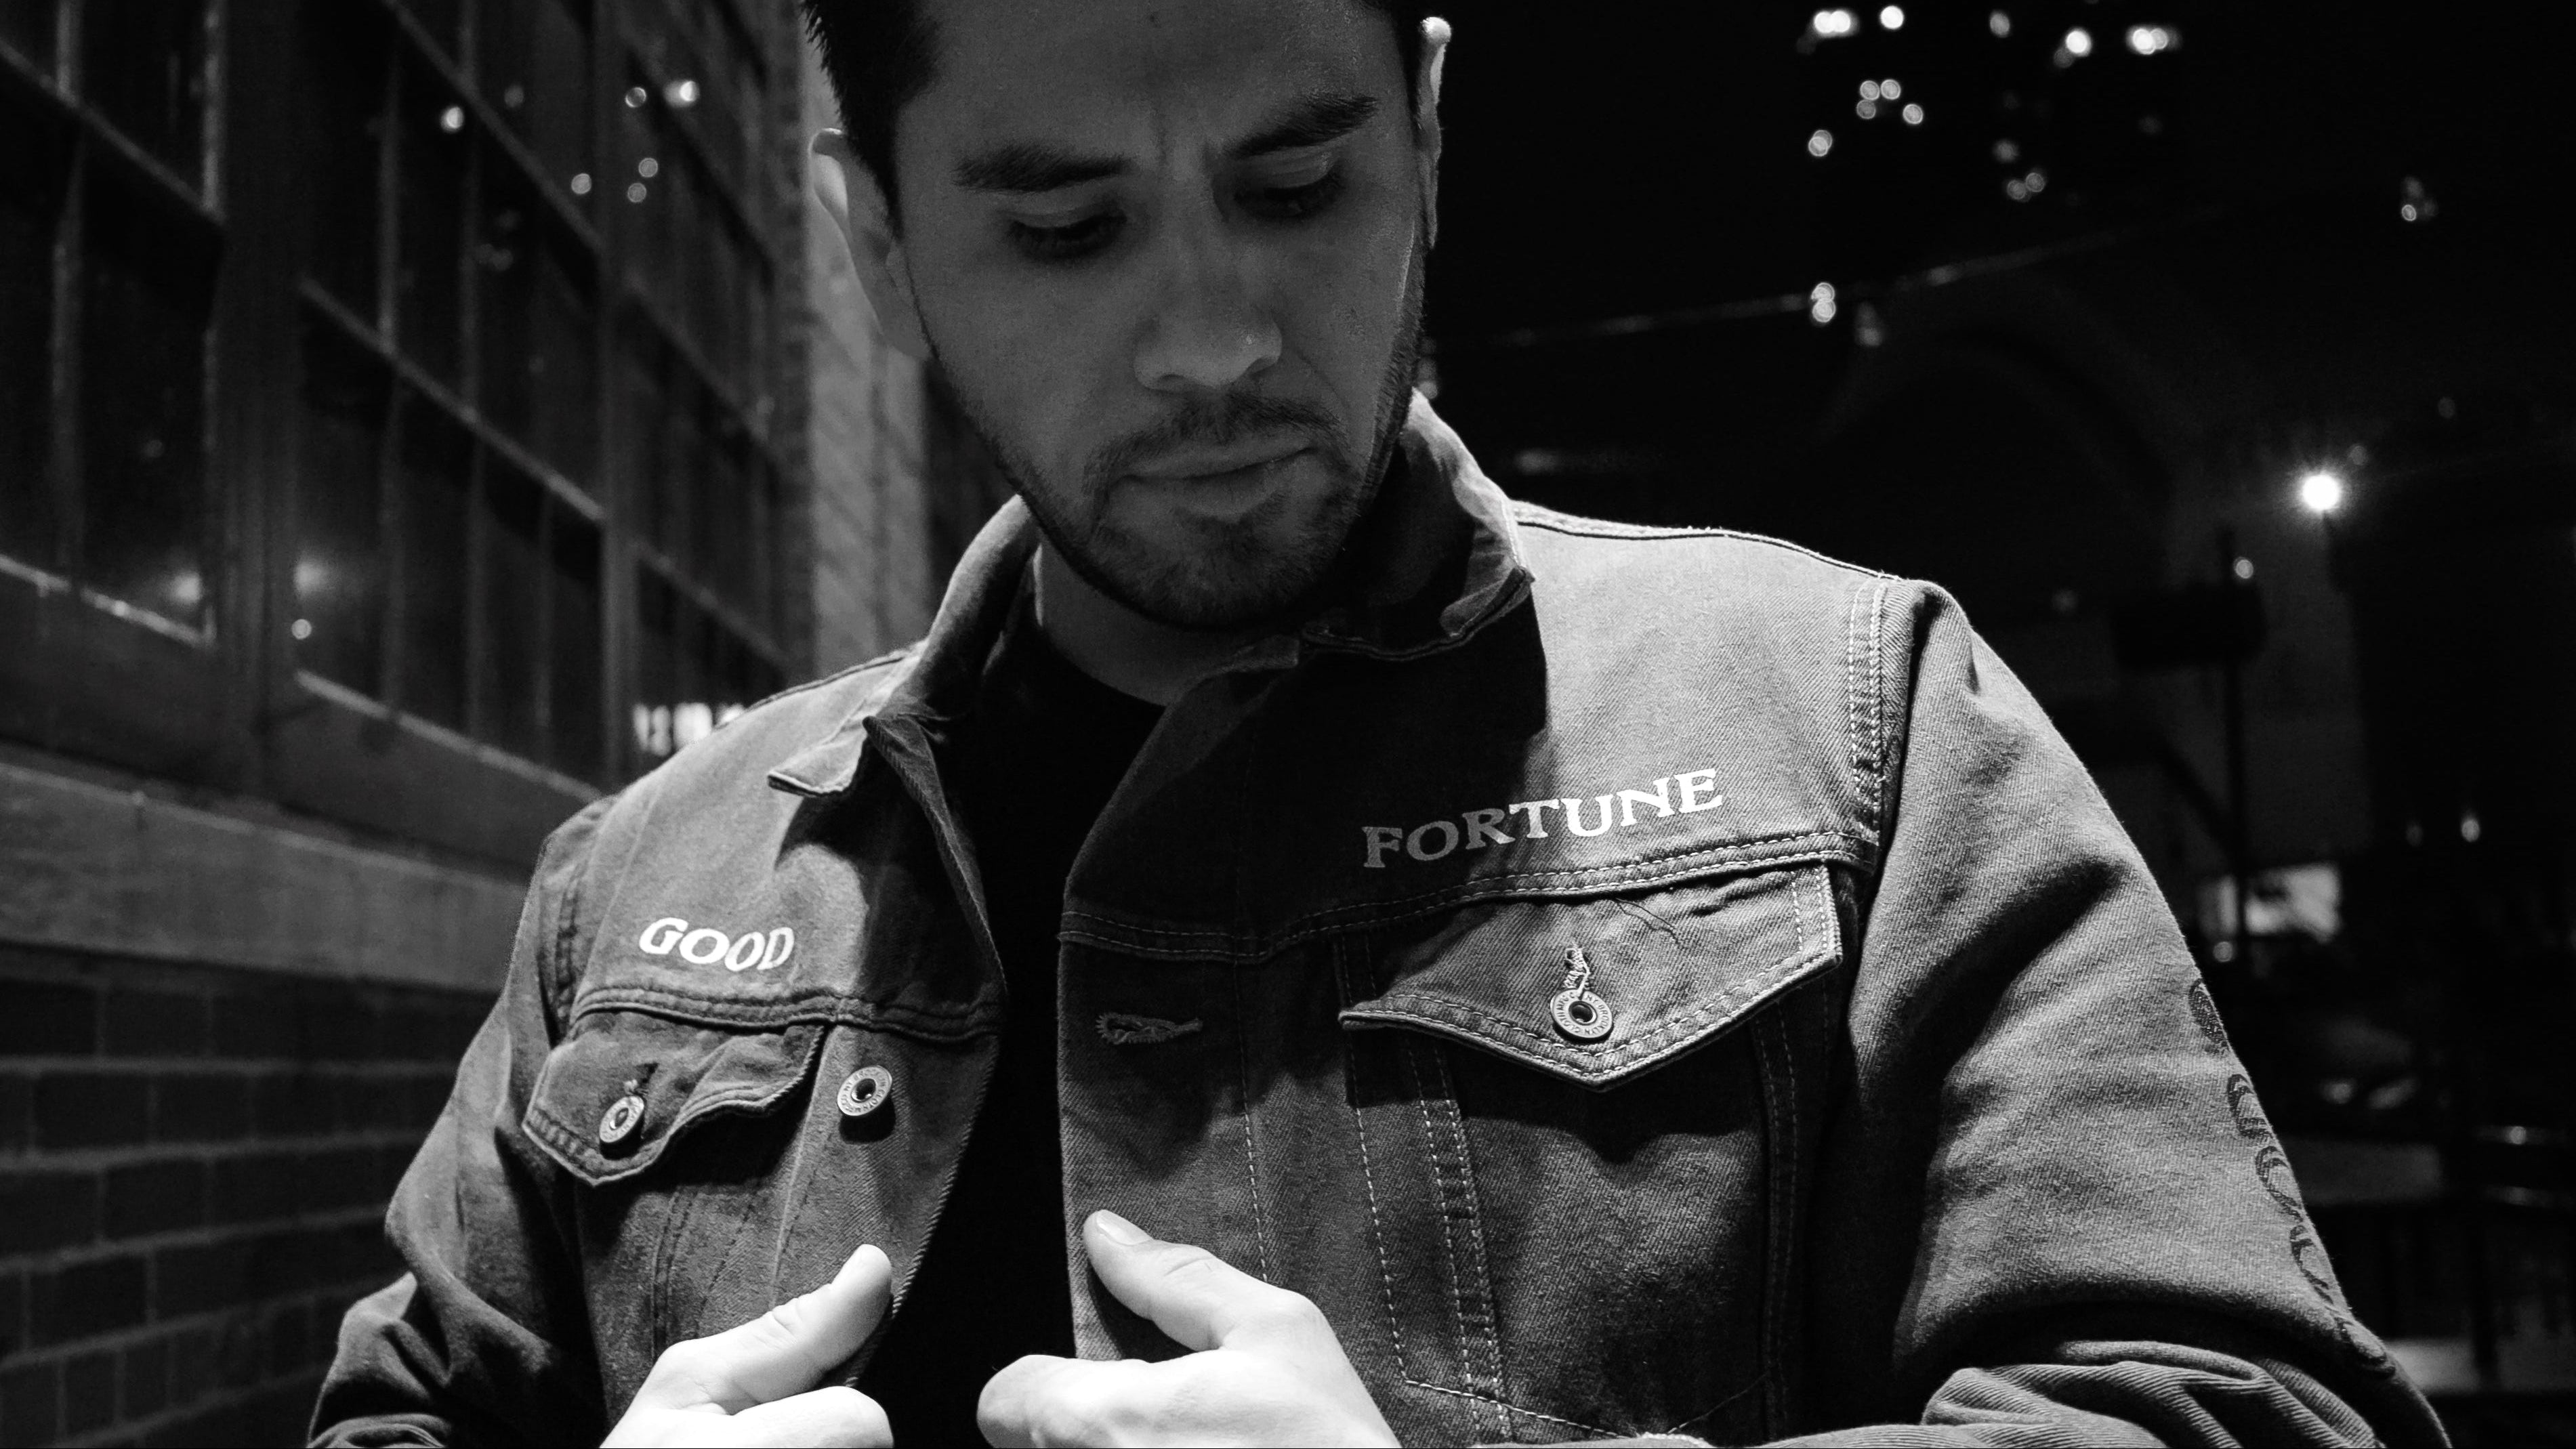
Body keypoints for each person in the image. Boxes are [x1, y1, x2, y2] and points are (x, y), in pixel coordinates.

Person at [312, 0, 2447, 1444]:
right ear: (878, 241)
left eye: (1300, 180)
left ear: (1425, 128)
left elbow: (2252, 1404)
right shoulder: (645, 879)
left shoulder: (1857, 726)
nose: (1215, 337)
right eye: (1063, 226)